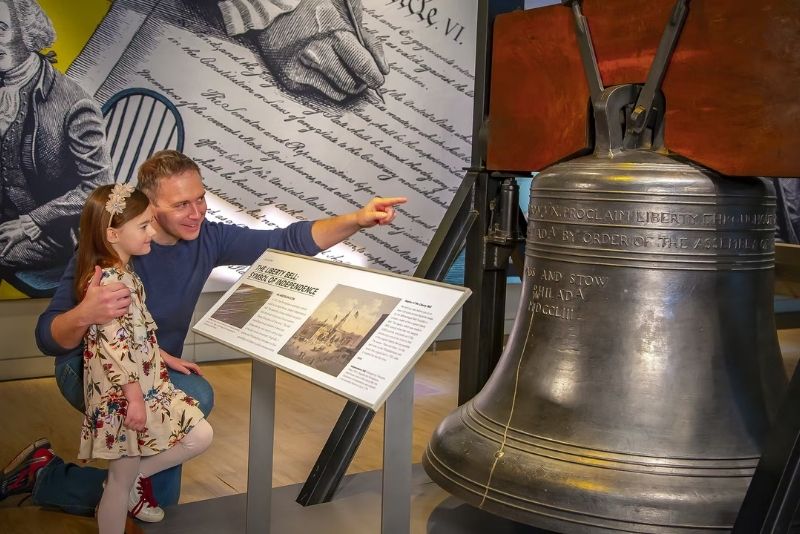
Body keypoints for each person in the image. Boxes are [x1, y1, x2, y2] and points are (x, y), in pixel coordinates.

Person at [0, 149, 405, 516]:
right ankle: (78, 484)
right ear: (150, 207)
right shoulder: (110, 251)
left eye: (200, 198)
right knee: (197, 396)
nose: (196, 212)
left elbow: (287, 239)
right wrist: (85, 313)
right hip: (93, 367)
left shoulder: (207, 236)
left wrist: (357, 220)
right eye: (181, 204)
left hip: (156, 368)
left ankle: (47, 476)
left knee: (164, 501)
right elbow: (47, 338)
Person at [76, 184, 213, 531]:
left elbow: (135, 332)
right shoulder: (110, 283)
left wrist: (164, 356)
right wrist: (134, 399)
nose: (152, 231)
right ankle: (120, 496)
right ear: (112, 234)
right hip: (124, 396)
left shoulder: (126, 274)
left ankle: (131, 480)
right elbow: (112, 346)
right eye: (143, 226)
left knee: (199, 435)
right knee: (119, 485)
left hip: (145, 385)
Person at [0, 0, 111, 273]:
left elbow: (98, 187)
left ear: (28, 34)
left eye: (0, 28)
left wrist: (31, 221)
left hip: (52, 233)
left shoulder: (73, 105)